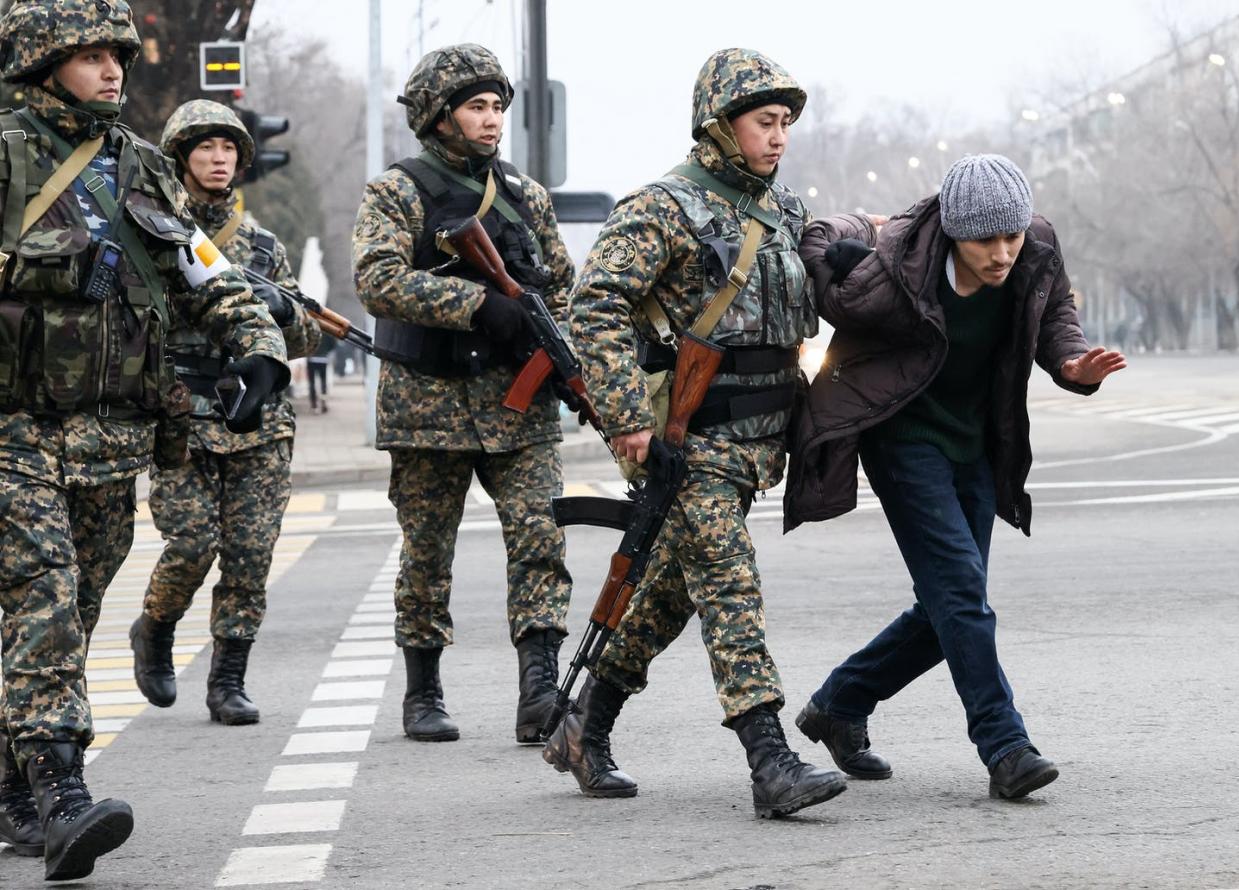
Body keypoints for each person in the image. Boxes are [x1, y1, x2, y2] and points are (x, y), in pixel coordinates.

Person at [0, 0, 287, 880]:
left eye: (118, 54)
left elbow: (201, 265)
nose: (113, 70)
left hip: (110, 437)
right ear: (44, 63)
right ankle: (62, 796)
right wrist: (46, 262)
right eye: (90, 56)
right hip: (12, 427)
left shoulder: (142, 168)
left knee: (71, 611)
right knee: (44, 598)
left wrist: (259, 347)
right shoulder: (8, 152)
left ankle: (15, 781)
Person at [542, 48, 846, 819]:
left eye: (785, 124)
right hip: (691, 442)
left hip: (759, 445)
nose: (778, 137)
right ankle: (770, 759)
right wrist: (625, 422)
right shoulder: (663, 207)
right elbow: (597, 306)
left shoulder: (788, 214)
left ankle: (584, 724)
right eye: (763, 122)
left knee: (674, 591)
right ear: (720, 126)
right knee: (730, 585)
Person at [783, 154, 1126, 800]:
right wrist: (860, 228)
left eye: (1012, 236)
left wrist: (1073, 362)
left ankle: (841, 701)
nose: (1002, 254)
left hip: (974, 439)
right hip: (903, 435)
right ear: (953, 233)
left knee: (949, 604)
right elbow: (819, 254)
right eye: (985, 240)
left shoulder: (1035, 248)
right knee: (962, 594)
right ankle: (1005, 745)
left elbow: (1054, 317)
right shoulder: (896, 268)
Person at [351, 44, 575, 745]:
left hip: (519, 403)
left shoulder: (525, 194)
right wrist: (477, 305)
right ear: (437, 115)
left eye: (497, 106)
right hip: (430, 404)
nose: (491, 119)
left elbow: (563, 284)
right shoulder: (397, 191)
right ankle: (424, 690)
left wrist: (542, 319)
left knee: (541, 537)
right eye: (476, 106)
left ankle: (539, 688)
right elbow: (377, 278)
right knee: (426, 554)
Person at [128, 99, 320, 726]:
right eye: (205, 148)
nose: (219, 159)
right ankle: (155, 627)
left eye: (229, 149)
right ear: (181, 156)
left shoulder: (262, 244)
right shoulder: (154, 229)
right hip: (183, 417)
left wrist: (284, 308)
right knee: (192, 541)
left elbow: (303, 339)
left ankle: (228, 679)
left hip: (256, 421)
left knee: (250, 553)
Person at [307, 333, 333, 413]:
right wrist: (326, 351)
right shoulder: (327, 331)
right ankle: (323, 403)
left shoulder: (310, 328)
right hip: (323, 359)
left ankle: (314, 404)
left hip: (311, 358)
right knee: (323, 382)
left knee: (312, 382)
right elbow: (333, 344)